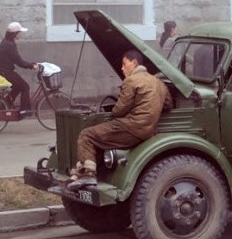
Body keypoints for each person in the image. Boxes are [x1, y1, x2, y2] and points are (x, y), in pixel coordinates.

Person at [67, 49, 173, 190]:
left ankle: (89, 175)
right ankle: (83, 172)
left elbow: (118, 111)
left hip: (130, 128)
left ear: (134, 63)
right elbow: (168, 105)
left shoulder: (131, 80)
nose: (122, 68)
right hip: (148, 131)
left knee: (87, 135)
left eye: (124, 64)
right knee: (100, 139)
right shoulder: (158, 82)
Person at [0, 22, 39, 117]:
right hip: (5, 72)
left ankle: (4, 106)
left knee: (18, 87)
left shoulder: (7, 42)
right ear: (15, 34)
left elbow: (17, 60)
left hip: (2, 71)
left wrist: (30, 64)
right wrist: (31, 66)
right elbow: (18, 61)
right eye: (19, 32)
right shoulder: (9, 44)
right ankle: (24, 111)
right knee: (25, 86)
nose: (21, 34)